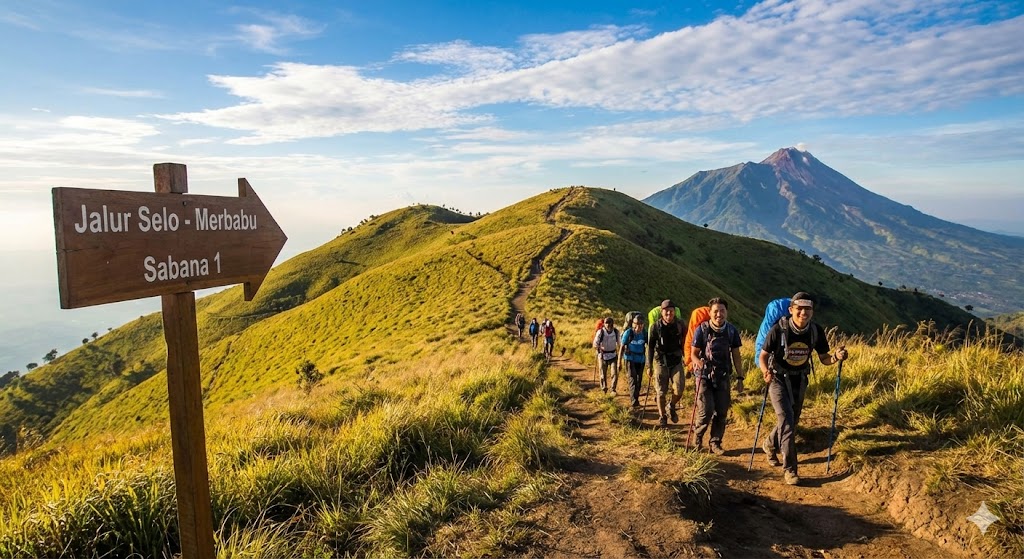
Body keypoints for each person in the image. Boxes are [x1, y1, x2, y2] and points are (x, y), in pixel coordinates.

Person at [759, 292, 848, 485]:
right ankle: (790, 470)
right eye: (799, 308)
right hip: (778, 379)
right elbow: (763, 355)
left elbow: (824, 358)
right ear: (791, 310)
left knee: (793, 418)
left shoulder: (815, 331)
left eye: (807, 309)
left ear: (812, 312)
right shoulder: (779, 330)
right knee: (787, 421)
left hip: (800, 379)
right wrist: (766, 371)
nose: (803, 313)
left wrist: (836, 357)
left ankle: (769, 443)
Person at [690, 297, 744, 454]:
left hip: (723, 376)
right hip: (704, 376)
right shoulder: (702, 329)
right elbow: (693, 353)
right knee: (706, 411)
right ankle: (698, 435)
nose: (719, 314)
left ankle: (715, 442)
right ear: (710, 312)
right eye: (715, 311)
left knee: (721, 412)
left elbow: (736, 355)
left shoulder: (731, 330)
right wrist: (698, 363)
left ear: (726, 312)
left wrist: (740, 377)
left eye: (722, 311)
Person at [647, 299, 686, 427]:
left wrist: (688, 360)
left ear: (674, 312)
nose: (669, 314)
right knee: (661, 392)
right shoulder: (655, 327)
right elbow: (651, 347)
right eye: (666, 312)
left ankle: (672, 405)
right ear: (661, 313)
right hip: (660, 361)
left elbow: (686, 343)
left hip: (676, 360)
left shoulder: (680, 325)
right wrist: (649, 366)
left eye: (671, 311)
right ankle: (662, 415)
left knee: (679, 389)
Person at [619, 313, 648, 407]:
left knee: (639, 381)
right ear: (632, 324)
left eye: (640, 324)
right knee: (633, 379)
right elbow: (621, 347)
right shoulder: (628, 333)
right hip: (629, 358)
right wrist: (619, 362)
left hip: (641, 359)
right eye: (636, 323)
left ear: (643, 324)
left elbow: (650, 346)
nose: (638, 326)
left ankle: (636, 397)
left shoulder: (644, 333)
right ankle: (634, 401)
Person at [593, 317, 620, 394]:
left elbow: (619, 343)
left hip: (613, 355)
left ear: (612, 323)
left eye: (609, 323)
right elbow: (595, 344)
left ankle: (613, 389)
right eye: (606, 323)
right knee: (602, 373)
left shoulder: (616, 332)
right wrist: (598, 348)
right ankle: (604, 389)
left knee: (614, 373)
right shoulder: (600, 332)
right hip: (602, 355)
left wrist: (622, 350)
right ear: (604, 324)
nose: (608, 325)